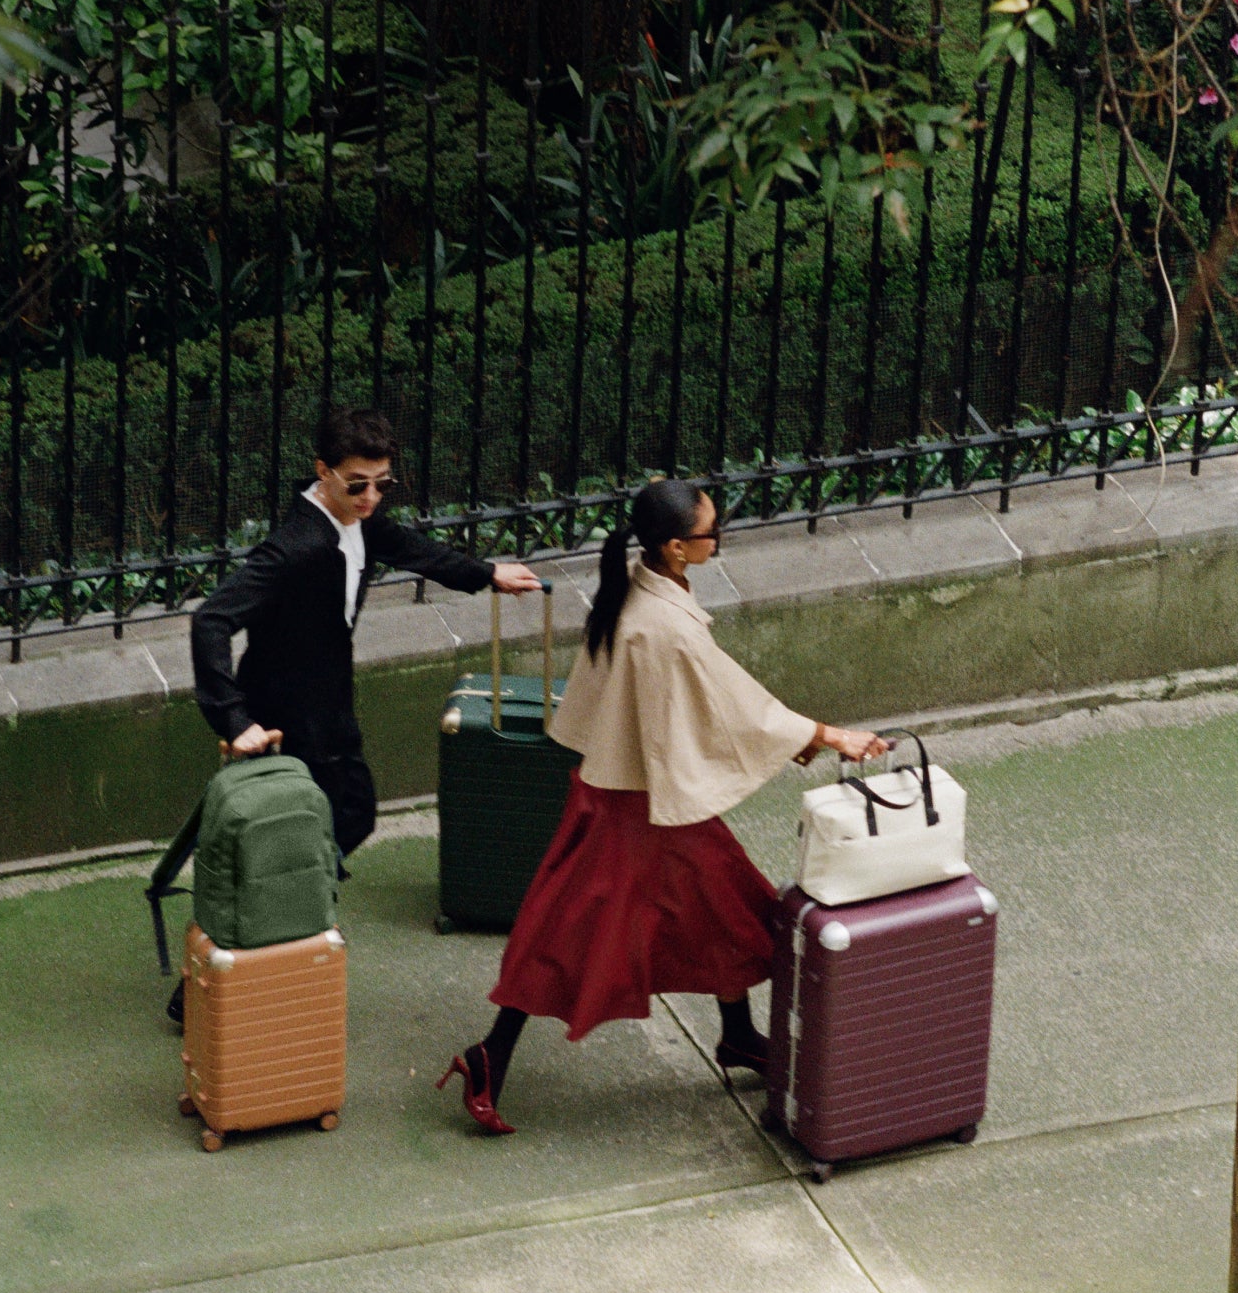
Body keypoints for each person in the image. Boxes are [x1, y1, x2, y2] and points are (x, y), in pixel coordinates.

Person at [439, 478, 889, 1134]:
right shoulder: (662, 626)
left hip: (636, 797)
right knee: (572, 939)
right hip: (634, 811)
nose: (721, 537)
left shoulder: (639, 581)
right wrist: (828, 735)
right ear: (677, 548)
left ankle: (734, 1035)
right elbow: (738, 705)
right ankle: (492, 1055)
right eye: (713, 531)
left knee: (718, 913)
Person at [180, 408, 541, 1019]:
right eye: (357, 484)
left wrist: (486, 575)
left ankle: (289, 917)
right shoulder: (296, 545)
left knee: (350, 815)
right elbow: (211, 620)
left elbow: (411, 548)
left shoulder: (359, 522)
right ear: (323, 472)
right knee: (299, 831)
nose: (372, 497)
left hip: (329, 699)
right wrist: (234, 720)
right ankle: (229, 969)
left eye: (383, 484)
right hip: (282, 713)